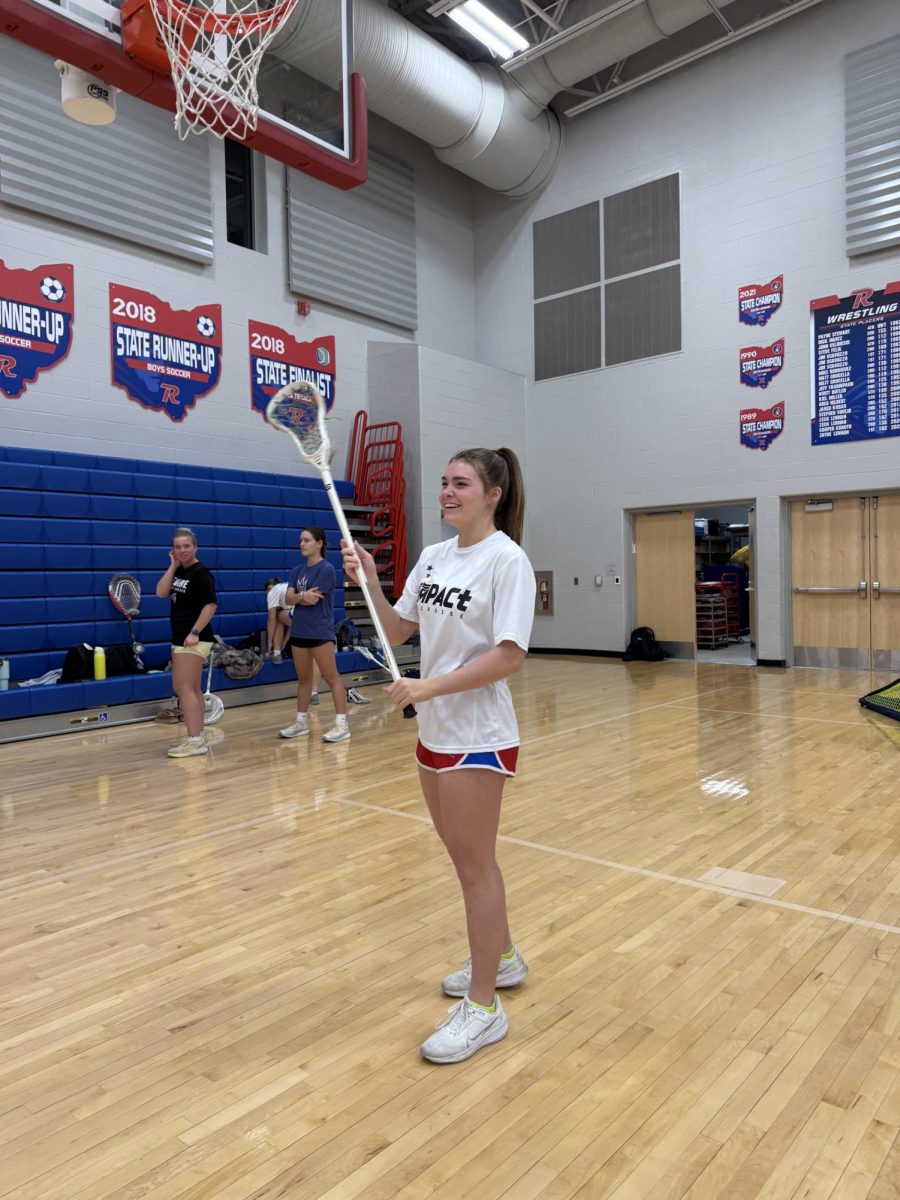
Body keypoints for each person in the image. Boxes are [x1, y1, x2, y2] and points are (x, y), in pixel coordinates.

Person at [342, 447, 534, 1064]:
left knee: (477, 867)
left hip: (478, 731)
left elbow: (509, 656)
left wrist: (428, 686)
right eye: (445, 482)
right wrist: (369, 578)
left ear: (493, 492)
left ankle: (483, 1009)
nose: (448, 492)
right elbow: (399, 630)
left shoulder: (508, 561)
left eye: (462, 483)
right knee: (463, 858)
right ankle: (502, 957)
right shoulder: (433, 556)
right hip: (435, 731)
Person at [279, 526, 350, 743]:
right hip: (299, 631)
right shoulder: (297, 570)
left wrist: (297, 596)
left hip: (320, 631)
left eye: (307, 540)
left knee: (331, 678)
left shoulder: (326, 569)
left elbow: (313, 598)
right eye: (301, 540)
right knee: (304, 680)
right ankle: (301, 722)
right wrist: (301, 595)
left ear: (319, 543)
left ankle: (341, 724)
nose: (302, 544)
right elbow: (288, 599)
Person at [156, 527, 217, 758]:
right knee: (191, 689)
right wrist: (172, 565)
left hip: (192, 639)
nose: (182, 550)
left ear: (195, 547)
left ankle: (195, 741)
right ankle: (197, 737)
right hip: (181, 637)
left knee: (182, 688)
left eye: (186, 546)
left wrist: (194, 631)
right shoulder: (179, 572)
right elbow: (161, 592)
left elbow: (210, 606)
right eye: (178, 547)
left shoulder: (201, 574)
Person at [264, 577, 293, 664]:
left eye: (270, 589)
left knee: (276, 616)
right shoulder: (287, 587)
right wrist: (284, 641)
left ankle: (276, 653)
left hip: (304, 618)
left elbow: (271, 620)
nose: (270, 591)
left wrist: (269, 642)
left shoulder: (273, 592)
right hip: (316, 618)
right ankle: (277, 651)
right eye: (268, 589)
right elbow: (293, 623)